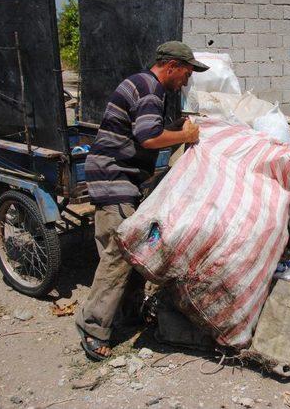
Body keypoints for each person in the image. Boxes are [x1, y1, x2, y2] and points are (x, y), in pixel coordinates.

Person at [76, 41, 209, 360]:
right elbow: (148, 138)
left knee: (132, 247)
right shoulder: (150, 88)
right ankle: (93, 326)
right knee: (120, 250)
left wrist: (174, 128)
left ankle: (131, 314)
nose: (187, 81)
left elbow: (147, 129)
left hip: (123, 176)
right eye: (187, 73)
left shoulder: (148, 88)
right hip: (114, 175)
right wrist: (185, 136)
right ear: (172, 66)